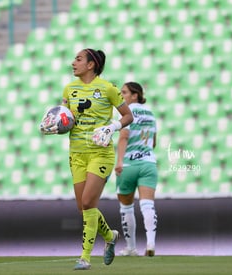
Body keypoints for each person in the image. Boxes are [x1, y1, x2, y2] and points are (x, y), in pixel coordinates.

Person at [40, 48, 133, 270]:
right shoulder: (69, 89)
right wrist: (54, 125)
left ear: (91, 65)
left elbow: (128, 115)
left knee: (89, 202)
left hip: (100, 153)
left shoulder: (108, 88)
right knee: (83, 207)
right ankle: (110, 236)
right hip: (77, 154)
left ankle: (85, 257)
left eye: (78, 59)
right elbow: (65, 119)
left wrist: (112, 127)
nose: (73, 63)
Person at [115, 82, 158, 257]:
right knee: (148, 205)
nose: (121, 96)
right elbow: (153, 142)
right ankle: (151, 243)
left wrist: (119, 162)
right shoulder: (151, 114)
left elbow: (124, 137)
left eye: (124, 92)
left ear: (135, 95)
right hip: (148, 164)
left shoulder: (127, 113)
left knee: (126, 207)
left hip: (128, 165)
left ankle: (131, 248)